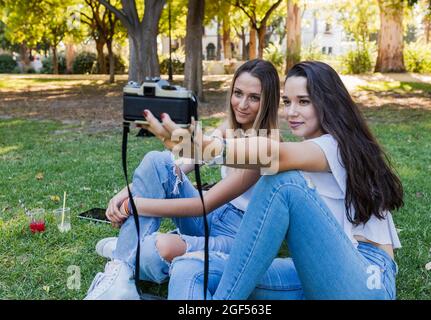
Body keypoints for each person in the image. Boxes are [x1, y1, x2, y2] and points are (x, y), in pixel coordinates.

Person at [144, 61, 404, 300]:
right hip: (316, 272)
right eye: (287, 102)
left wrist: (207, 148)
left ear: (328, 103)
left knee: (281, 181)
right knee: (189, 267)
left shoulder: (334, 146)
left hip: (367, 279)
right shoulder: (310, 150)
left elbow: (273, 154)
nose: (291, 112)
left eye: (303, 102)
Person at [84, 59, 281, 300]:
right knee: (156, 160)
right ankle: (122, 269)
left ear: (268, 101)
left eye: (254, 97)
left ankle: (125, 249)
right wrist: (126, 191)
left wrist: (133, 206)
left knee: (155, 251)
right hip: (210, 218)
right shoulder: (228, 127)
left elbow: (202, 205)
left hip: (235, 234)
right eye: (238, 93)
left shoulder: (268, 146)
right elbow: (178, 164)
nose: (242, 104)